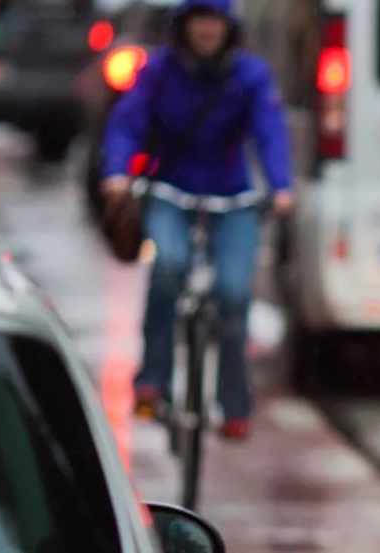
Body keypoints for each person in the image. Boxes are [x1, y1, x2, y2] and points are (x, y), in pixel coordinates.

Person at [101, 0, 295, 441]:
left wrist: (281, 186)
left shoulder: (250, 76)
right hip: (170, 189)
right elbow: (126, 122)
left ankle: (233, 404)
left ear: (229, 29)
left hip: (233, 196)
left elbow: (270, 132)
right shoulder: (158, 71)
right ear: (183, 26)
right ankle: (152, 380)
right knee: (168, 266)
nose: (206, 31)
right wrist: (116, 172)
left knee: (232, 292)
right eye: (198, 21)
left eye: (215, 22)